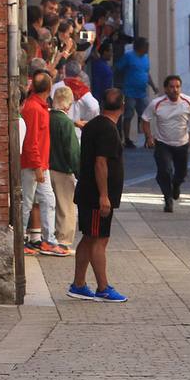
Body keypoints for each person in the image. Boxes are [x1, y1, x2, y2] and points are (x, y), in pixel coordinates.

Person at [68, 89, 128, 303]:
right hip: (96, 197)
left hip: (88, 193)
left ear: (103, 105)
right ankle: (103, 287)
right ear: (123, 106)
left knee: (89, 237)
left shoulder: (93, 124)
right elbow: (100, 162)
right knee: (99, 241)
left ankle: (79, 284)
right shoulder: (108, 130)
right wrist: (104, 196)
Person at [20, 72, 67, 256]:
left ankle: (48, 240)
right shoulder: (35, 109)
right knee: (28, 202)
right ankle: (23, 239)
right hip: (35, 164)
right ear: (49, 88)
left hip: (39, 163)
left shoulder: (37, 107)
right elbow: (31, 141)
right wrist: (38, 166)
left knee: (47, 200)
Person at [142, 74, 190, 212]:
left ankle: (176, 184)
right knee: (165, 171)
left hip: (182, 143)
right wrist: (149, 137)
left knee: (182, 172)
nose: (175, 90)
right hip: (163, 143)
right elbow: (145, 119)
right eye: (172, 87)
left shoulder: (187, 101)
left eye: (178, 87)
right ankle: (168, 199)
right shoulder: (157, 103)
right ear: (166, 89)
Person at [47, 86, 80, 251]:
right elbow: (72, 151)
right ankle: (64, 242)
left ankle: (48, 238)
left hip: (46, 168)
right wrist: (79, 172)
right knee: (66, 208)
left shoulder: (47, 117)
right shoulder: (65, 123)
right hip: (62, 169)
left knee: (48, 205)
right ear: (68, 104)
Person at [115, 36, 157, 147]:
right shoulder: (129, 56)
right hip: (129, 91)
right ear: (140, 47)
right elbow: (118, 68)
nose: (147, 48)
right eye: (146, 46)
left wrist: (153, 86)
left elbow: (147, 73)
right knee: (128, 115)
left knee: (145, 115)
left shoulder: (146, 58)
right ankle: (127, 139)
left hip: (142, 92)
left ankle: (148, 138)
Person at [51, 60, 100, 130]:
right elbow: (94, 107)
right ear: (79, 73)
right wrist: (87, 121)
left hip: (57, 129)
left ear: (65, 72)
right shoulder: (83, 90)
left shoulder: (55, 87)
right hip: (76, 131)